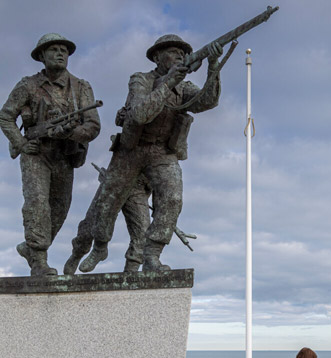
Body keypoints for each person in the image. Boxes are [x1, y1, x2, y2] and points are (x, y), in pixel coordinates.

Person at [64, 34, 222, 274]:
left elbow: (207, 102)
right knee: (106, 205)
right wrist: (168, 82)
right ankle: (100, 246)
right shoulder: (141, 79)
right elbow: (140, 115)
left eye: (182, 53)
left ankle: (152, 256)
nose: (179, 55)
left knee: (172, 198)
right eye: (172, 52)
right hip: (131, 151)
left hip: (162, 152)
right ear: (157, 57)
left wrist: (213, 66)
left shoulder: (184, 87)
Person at [0, 33, 101, 276]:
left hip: (65, 155)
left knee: (60, 208)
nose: (60, 53)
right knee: (37, 205)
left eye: (64, 50)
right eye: (53, 49)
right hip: (37, 153)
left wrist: (72, 133)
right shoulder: (27, 85)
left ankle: (31, 248)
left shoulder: (81, 87)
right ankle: (39, 260)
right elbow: (5, 116)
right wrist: (21, 143)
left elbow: (93, 125)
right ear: (41, 56)